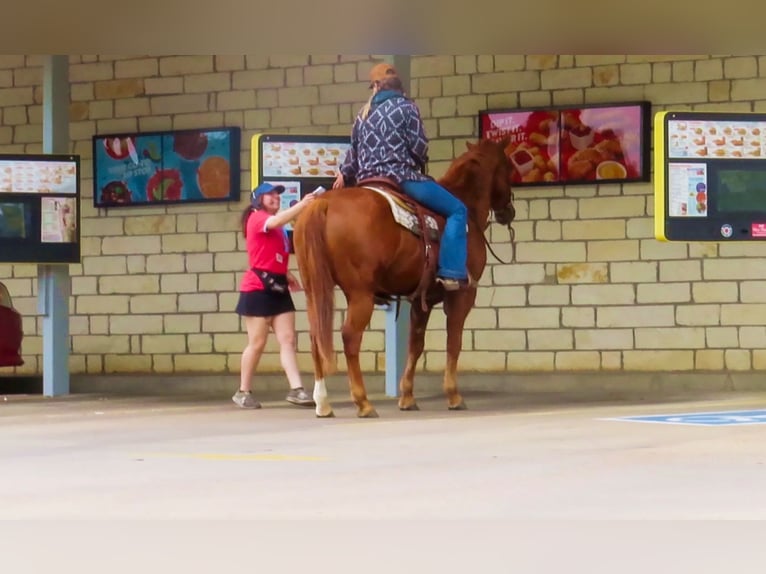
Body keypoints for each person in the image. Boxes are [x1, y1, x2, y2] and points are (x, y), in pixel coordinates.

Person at [333, 62, 470, 291]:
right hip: (401, 178)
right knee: (458, 210)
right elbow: (419, 147)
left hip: (366, 181)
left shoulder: (362, 115)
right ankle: (451, 273)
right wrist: (416, 161)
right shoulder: (407, 107)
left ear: (376, 87)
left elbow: (353, 154)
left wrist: (344, 174)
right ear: (398, 86)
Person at [232, 182, 317, 409]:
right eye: (269, 195)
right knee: (257, 343)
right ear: (258, 200)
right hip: (257, 288)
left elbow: (268, 254)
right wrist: (303, 204)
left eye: (277, 195)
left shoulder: (278, 228)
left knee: (288, 339)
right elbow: (277, 221)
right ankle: (243, 391)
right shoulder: (258, 217)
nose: (275, 198)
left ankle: (297, 389)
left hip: (278, 287)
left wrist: (287, 274)